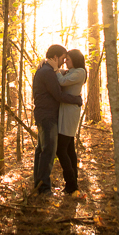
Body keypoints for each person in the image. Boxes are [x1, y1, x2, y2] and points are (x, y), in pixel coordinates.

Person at [32, 44, 83, 195]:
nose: (63, 61)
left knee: (42, 150)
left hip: (45, 115)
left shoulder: (47, 69)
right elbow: (58, 95)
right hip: (47, 116)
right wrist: (77, 99)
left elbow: (63, 75)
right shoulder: (48, 72)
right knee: (48, 151)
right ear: (55, 57)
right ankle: (44, 189)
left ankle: (39, 184)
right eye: (62, 58)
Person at [56, 49, 86, 195]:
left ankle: (71, 183)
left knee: (61, 149)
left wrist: (54, 69)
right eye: (65, 59)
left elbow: (61, 80)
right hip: (65, 112)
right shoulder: (72, 71)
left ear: (75, 58)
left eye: (67, 59)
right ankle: (73, 182)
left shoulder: (80, 72)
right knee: (68, 149)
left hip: (69, 113)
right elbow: (62, 73)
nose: (65, 61)